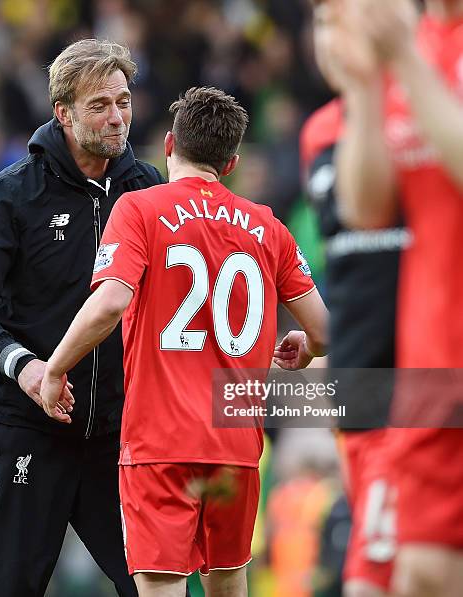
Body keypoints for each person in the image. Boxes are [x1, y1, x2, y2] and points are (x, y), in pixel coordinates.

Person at [39, 86, 329, 597]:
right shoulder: (268, 227)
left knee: (162, 585)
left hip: (161, 442)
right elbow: (325, 332)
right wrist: (305, 345)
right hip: (235, 445)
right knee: (229, 578)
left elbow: (110, 303)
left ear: (169, 145)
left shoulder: (139, 210)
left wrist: (57, 367)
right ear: (232, 162)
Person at [0, 39, 164, 597]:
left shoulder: (150, 191)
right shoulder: (12, 194)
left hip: (117, 432)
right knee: (10, 583)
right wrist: (25, 367)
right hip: (30, 424)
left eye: (123, 101)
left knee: (157, 583)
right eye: (99, 106)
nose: (117, 118)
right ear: (62, 114)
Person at [334, 1, 463, 595]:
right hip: (430, 363)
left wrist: (405, 60)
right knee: (421, 574)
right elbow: (364, 209)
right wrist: (364, 86)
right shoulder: (421, 40)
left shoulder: (422, 50)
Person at [301, 2, 410, 595]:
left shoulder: (428, 107)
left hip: (424, 372)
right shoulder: (318, 131)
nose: (330, 40)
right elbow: (347, 266)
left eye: (343, 21)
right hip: (357, 379)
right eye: (320, 24)